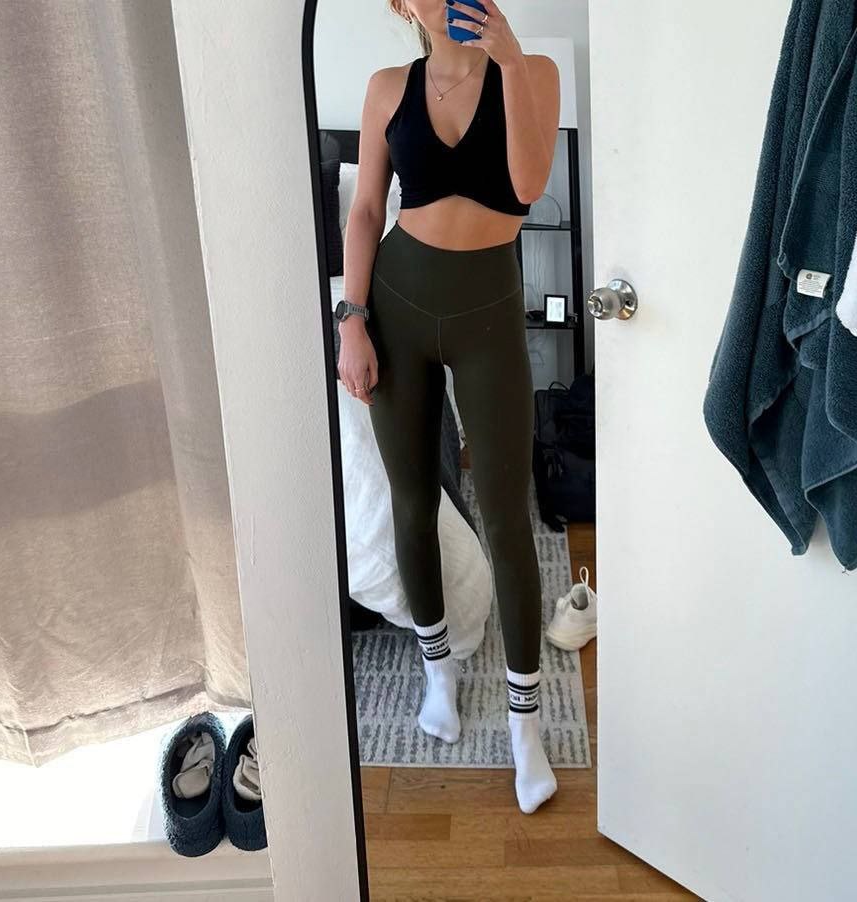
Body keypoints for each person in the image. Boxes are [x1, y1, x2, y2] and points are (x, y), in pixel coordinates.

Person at [334, 0, 561, 814]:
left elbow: (528, 185)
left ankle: (525, 726)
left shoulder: (531, 72)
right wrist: (351, 319)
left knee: (506, 516)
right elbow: (366, 210)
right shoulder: (386, 87)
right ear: (401, 4)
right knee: (412, 498)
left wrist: (509, 58)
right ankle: (438, 670)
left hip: (487, 314)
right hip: (396, 304)